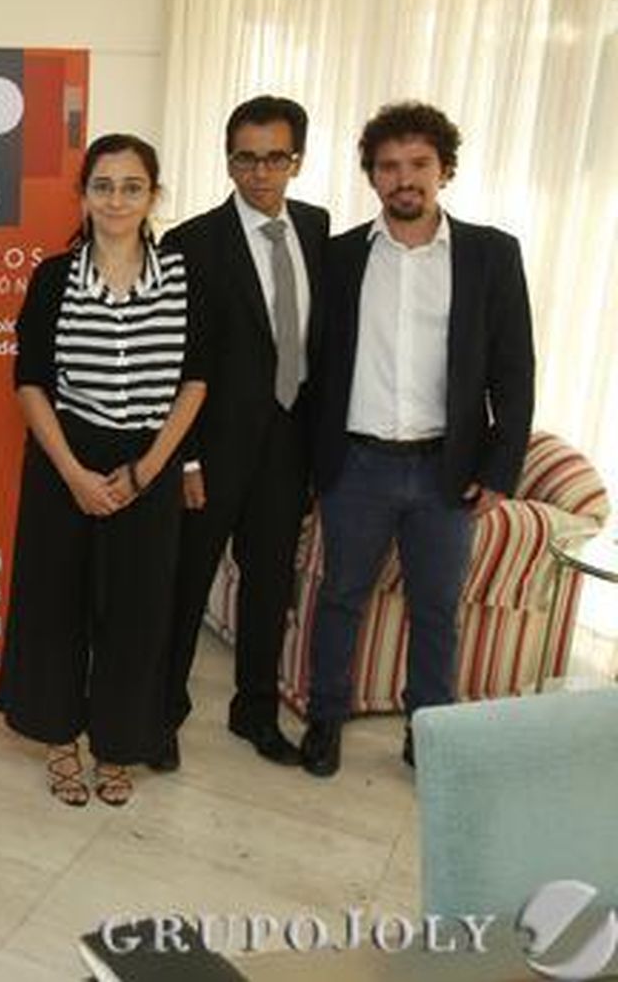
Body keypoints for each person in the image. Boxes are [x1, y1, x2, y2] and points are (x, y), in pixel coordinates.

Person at [301, 101, 534, 777]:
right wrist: (311, 466)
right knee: (340, 597)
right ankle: (325, 718)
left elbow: (514, 370)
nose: (404, 178)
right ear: (372, 175)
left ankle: (427, 732)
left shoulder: (492, 254)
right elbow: (316, 364)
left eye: (418, 164)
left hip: (446, 470)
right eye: (388, 166)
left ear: (444, 169)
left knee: (436, 609)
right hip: (356, 466)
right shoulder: (340, 257)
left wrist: (501, 470)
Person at [0, 133, 208, 807]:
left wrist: (146, 472)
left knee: (138, 613)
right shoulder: (54, 278)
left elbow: (196, 382)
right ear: (84, 195)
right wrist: (73, 473)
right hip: (66, 458)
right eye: (104, 186)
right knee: (55, 606)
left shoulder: (184, 276)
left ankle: (118, 745)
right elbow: (30, 382)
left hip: (149, 459)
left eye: (132, 187)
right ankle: (60, 740)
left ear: (153, 196)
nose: (117, 200)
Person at [157, 97, 330, 771]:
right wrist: (185, 459)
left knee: (268, 590)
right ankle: (161, 714)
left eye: (274, 158)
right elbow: (173, 363)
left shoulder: (317, 228)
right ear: (228, 161)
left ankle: (255, 711)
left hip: (288, 447)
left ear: (296, 161)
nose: (260, 173)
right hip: (210, 451)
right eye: (246, 159)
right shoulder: (191, 243)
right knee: (184, 587)